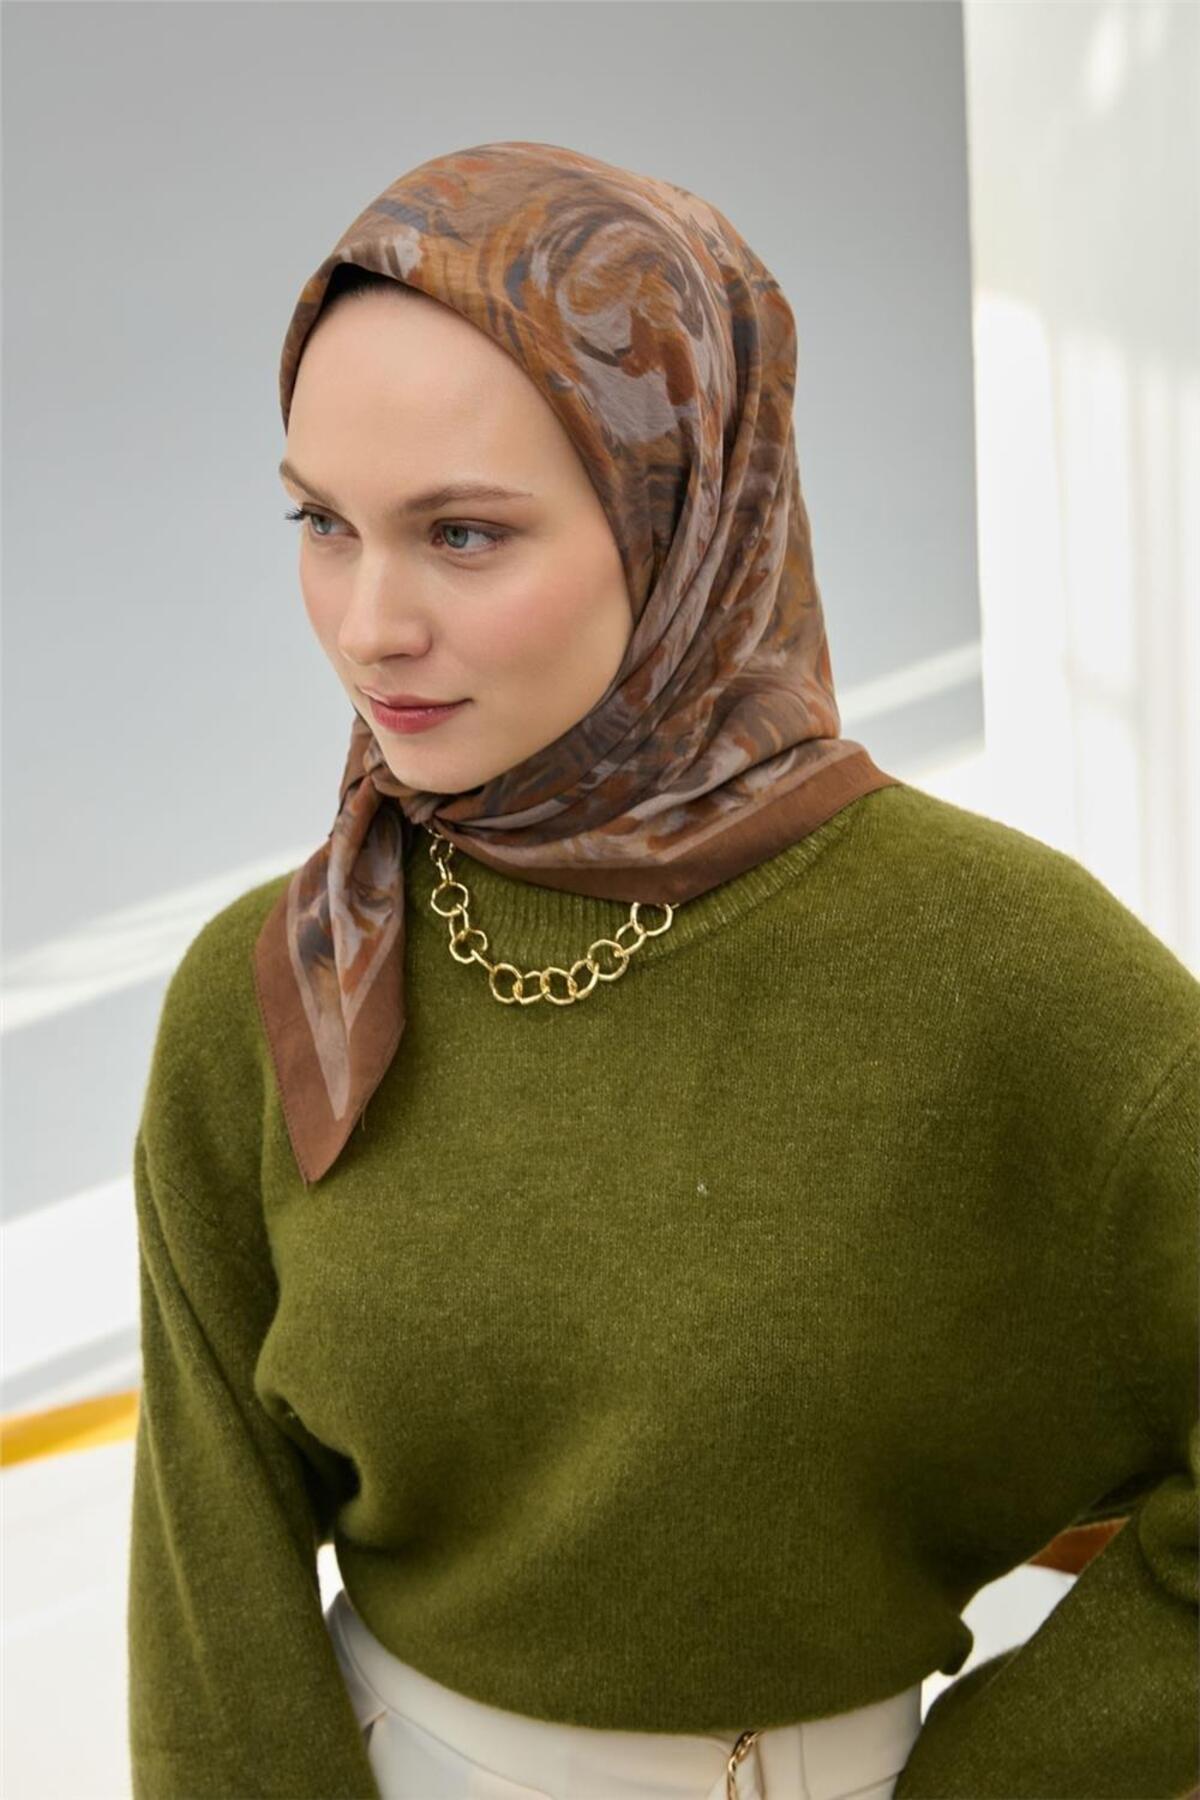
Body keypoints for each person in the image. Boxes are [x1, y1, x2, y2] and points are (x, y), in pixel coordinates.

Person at [126, 141, 1199, 1800]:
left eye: (462, 534)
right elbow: (212, 1584)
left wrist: (1019, 1774)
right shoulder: (285, 980)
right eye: (323, 523)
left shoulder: (1005, 966)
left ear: (688, 515)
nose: (368, 623)